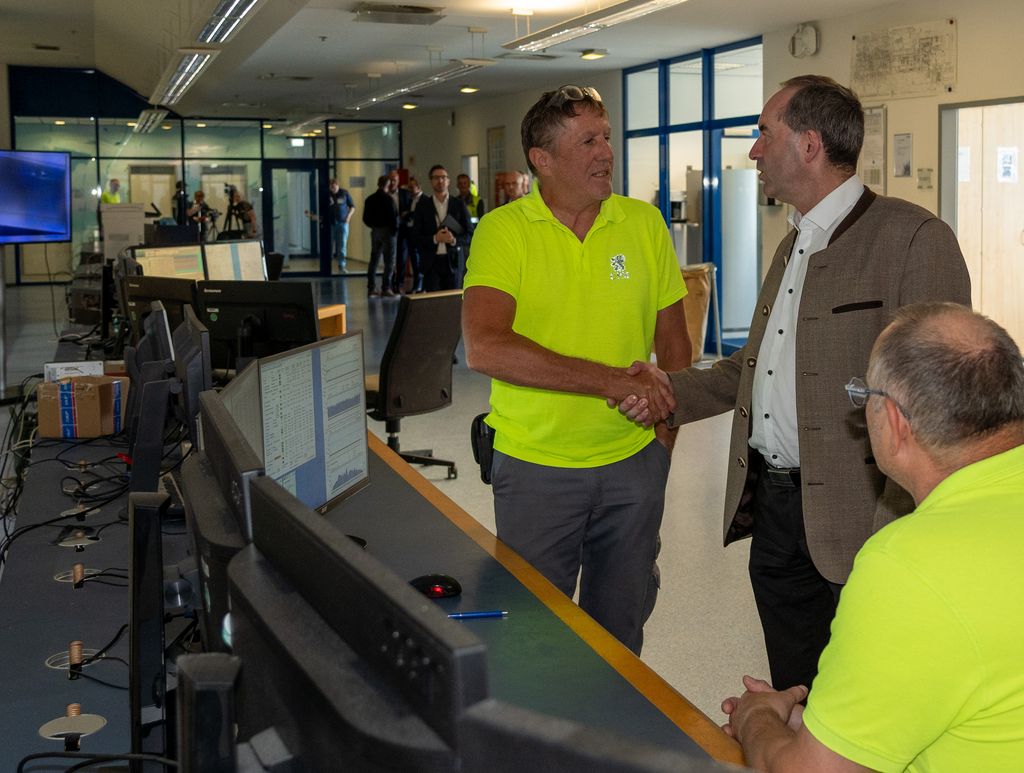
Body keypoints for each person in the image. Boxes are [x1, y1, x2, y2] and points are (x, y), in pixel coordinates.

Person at [619, 75, 971, 690]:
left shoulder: (914, 239)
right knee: (796, 688)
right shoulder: (791, 247)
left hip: (866, 518)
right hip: (777, 513)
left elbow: (942, 402)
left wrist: (906, 531)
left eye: (763, 133)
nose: (753, 151)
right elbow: (751, 371)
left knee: (869, 693)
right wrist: (665, 390)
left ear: (809, 145)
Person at [721, 302, 1024, 771]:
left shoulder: (907, 566)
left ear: (896, 422)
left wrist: (758, 719)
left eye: (863, 394)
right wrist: (824, 726)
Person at [463, 85, 691, 654]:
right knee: (536, 638)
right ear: (543, 159)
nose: (607, 152)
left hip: (634, 466)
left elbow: (676, 342)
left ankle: (610, 740)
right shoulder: (504, 231)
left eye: (607, 136)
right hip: (537, 471)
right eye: (588, 140)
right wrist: (613, 380)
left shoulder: (643, 224)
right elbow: (485, 346)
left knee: (621, 631)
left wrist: (664, 440)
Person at [412, 164, 471, 292]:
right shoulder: (422, 206)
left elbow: (469, 234)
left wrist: (453, 240)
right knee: (434, 305)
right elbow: (415, 237)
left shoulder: (458, 204)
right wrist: (435, 238)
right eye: (436, 178)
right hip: (431, 263)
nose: (440, 181)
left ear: (448, 181)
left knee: (453, 303)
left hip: (454, 262)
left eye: (443, 177)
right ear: (431, 181)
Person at [362, 174, 399, 297]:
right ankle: (386, 287)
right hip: (388, 232)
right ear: (388, 185)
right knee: (389, 261)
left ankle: (371, 288)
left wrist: (374, 226)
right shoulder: (389, 200)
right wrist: (395, 231)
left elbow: (365, 218)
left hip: (375, 231)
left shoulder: (370, 199)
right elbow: (394, 217)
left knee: (374, 260)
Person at [326, 178, 355, 271]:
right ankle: (327, 266)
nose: (333, 189)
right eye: (331, 187)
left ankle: (341, 265)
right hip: (331, 223)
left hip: (343, 223)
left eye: (334, 187)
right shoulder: (327, 194)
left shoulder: (344, 193)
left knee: (342, 245)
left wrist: (348, 217)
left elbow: (352, 207)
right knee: (329, 245)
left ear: (337, 185)